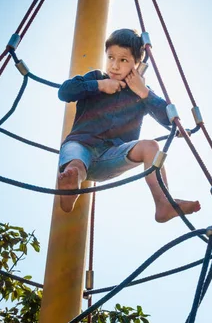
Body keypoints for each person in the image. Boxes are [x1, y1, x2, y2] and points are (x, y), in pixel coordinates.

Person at [57, 29, 200, 222]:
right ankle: (71, 189)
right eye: (111, 58)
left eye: (123, 60)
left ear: (136, 64)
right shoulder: (96, 78)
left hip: (113, 156)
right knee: (75, 166)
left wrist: (143, 92)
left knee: (151, 146)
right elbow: (65, 92)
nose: (114, 66)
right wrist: (100, 85)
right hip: (81, 146)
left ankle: (163, 203)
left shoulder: (140, 94)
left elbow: (169, 119)